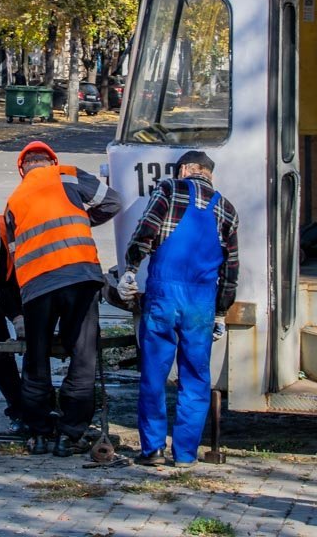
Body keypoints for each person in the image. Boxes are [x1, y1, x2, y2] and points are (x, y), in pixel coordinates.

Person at [119, 150, 239, 467]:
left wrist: (130, 269)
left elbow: (146, 230)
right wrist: (221, 311)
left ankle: (153, 450)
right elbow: (231, 269)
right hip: (201, 302)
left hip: (164, 295)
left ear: (184, 169)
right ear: (209, 173)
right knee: (196, 378)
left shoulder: (171, 189)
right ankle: (185, 455)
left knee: (154, 375)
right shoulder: (227, 209)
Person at [3, 140, 120, 457]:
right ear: (52, 161)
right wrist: (83, 218)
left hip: (37, 287)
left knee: (36, 360)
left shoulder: (13, 201)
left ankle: (39, 434)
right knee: (83, 357)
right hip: (81, 277)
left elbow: (14, 256)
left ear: (22, 170)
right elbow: (113, 202)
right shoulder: (68, 175)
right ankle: (70, 435)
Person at [0, 214, 25, 435]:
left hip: (23, 283)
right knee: (0, 346)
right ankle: (17, 409)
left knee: (34, 346)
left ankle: (38, 405)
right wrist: (17, 316)